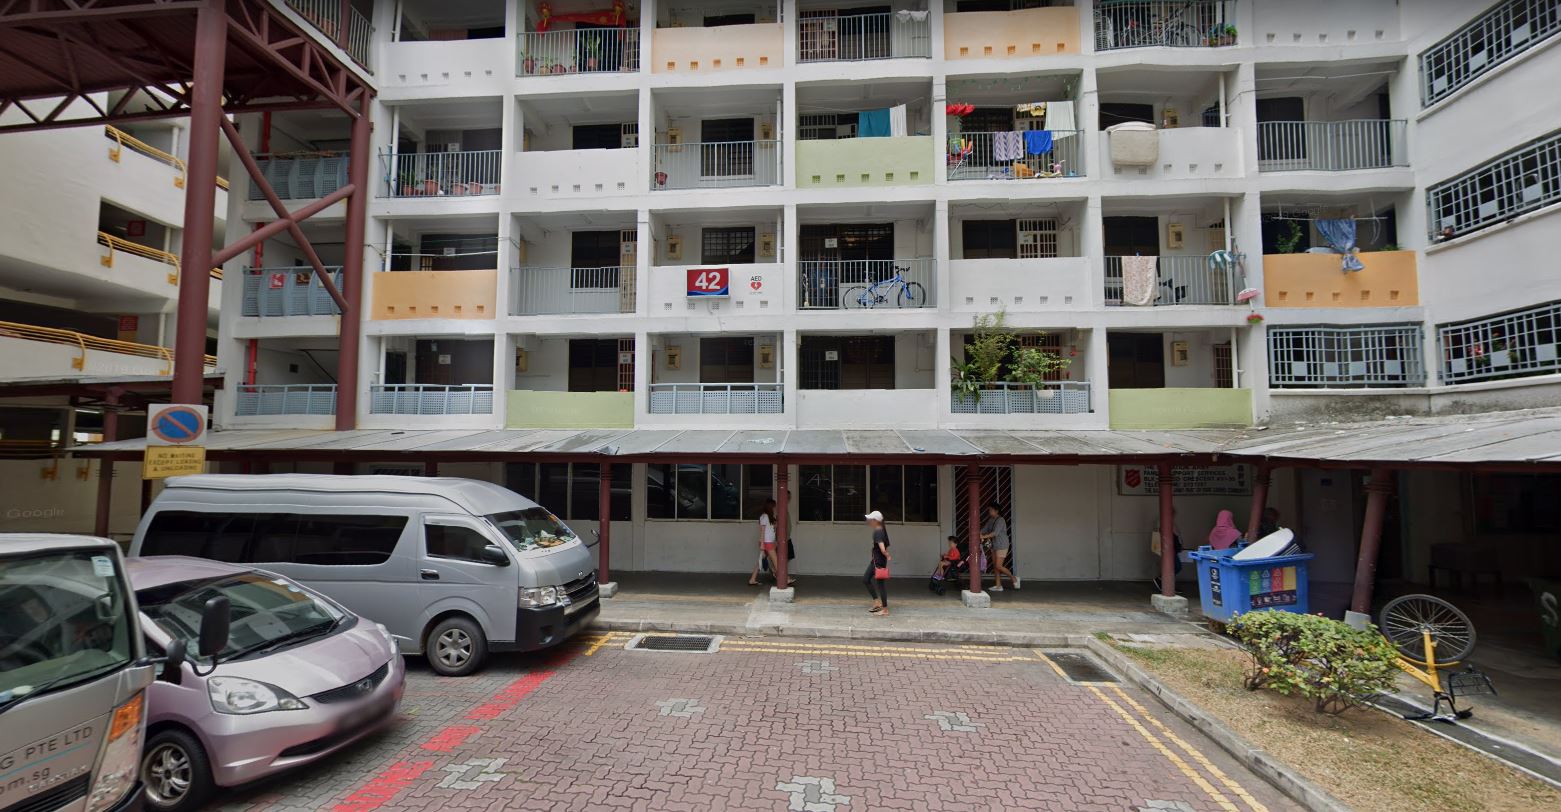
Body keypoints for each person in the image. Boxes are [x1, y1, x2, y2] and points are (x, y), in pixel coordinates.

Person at [748, 498, 792, 587]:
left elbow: (773, 529)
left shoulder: (770, 517)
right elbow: (762, 531)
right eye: (774, 506)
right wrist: (762, 544)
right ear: (770, 507)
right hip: (767, 543)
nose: (775, 508)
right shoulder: (764, 517)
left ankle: (752, 579)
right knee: (776, 562)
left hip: (769, 542)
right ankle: (785, 579)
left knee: (760, 561)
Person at [980, 503, 1018, 591]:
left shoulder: (1001, 520)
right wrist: (979, 533)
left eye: (991, 510)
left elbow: (995, 533)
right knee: (995, 566)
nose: (989, 511)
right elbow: (984, 529)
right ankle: (998, 586)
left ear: (996, 511)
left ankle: (1013, 578)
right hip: (994, 545)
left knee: (998, 565)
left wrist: (983, 536)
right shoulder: (991, 520)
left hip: (1002, 545)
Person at [863, 510, 891, 615]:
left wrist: (886, 555)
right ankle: (876, 602)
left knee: (881, 585)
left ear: (875, 521)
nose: (869, 521)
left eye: (870, 519)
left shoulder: (878, 531)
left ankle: (885, 610)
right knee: (866, 579)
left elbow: (882, 548)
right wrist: (885, 555)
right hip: (876, 560)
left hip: (878, 562)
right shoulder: (881, 530)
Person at [1151, 507, 1184, 593]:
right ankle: (1162, 581)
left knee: (1174, 567)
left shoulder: (1169, 522)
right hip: (1169, 549)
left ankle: (1166, 584)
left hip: (1172, 549)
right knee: (1176, 567)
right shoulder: (1165, 522)